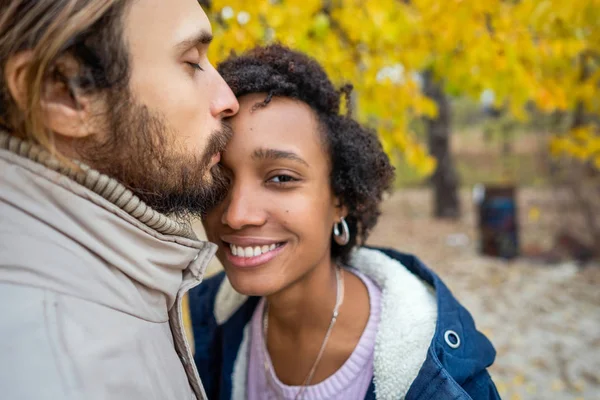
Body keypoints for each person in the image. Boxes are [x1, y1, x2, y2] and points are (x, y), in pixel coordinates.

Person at [188, 44, 501, 400]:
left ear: (340, 199)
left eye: (281, 178)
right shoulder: (198, 328)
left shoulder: (443, 383)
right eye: (218, 180)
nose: (236, 214)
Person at [0, 0, 238, 399]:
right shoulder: (58, 370)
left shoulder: (118, 282)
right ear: (63, 93)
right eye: (192, 62)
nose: (228, 98)